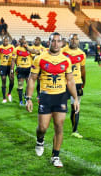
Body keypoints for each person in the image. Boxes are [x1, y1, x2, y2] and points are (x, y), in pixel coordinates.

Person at [26, 32, 79, 167]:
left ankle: (55, 156)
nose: (56, 44)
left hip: (61, 96)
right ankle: (40, 139)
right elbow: (32, 79)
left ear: (62, 43)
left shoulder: (66, 60)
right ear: (49, 42)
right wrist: (29, 98)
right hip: (46, 96)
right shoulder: (39, 58)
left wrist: (75, 99)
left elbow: (70, 81)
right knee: (43, 127)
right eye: (53, 41)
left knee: (59, 126)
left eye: (58, 41)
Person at [62, 34, 86, 138]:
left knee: (75, 107)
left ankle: (75, 130)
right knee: (61, 107)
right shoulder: (63, 51)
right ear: (68, 40)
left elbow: (83, 69)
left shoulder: (82, 54)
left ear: (78, 41)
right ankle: (58, 127)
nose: (74, 40)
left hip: (77, 82)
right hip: (63, 82)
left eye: (76, 39)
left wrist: (83, 82)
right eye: (72, 38)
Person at [11, 36, 33, 106]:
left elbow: (34, 58)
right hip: (20, 69)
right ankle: (21, 101)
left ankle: (27, 99)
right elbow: (13, 60)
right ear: (19, 41)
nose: (22, 41)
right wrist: (11, 70)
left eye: (23, 40)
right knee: (20, 85)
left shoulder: (29, 49)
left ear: (25, 41)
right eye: (21, 40)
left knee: (28, 85)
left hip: (28, 69)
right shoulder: (16, 49)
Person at [0, 36, 15, 103]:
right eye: (4, 41)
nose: (5, 42)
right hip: (3, 66)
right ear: (2, 41)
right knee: (3, 80)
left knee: (12, 80)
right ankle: (4, 98)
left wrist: (12, 69)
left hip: (10, 66)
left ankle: (9, 93)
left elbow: (14, 58)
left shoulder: (12, 47)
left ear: (8, 41)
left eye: (6, 41)